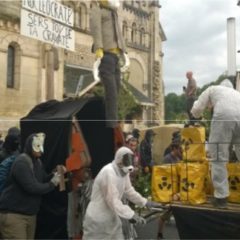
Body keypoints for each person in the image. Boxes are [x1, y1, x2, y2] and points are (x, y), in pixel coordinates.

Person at [82, 146, 161, 239]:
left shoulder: (123, 172)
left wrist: (145, 202)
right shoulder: (108, 172)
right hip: (98, 221)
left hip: (111, 217)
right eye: (127, 160)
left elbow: (129, 191)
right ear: (119, 160)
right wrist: (131, 215)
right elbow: (113, 200)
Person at [0, 133, 62, 239]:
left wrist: (54, 174)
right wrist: (52, 183)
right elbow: (32, 187)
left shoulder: (37, 162)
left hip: (29, 215)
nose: (40, 150)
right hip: (15, 216)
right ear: (30, 145)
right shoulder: (22, 162)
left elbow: (43, 179)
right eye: (37, 146)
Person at [191, 79, 240, 208]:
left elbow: (197, 108)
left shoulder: (212, 89)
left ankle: (221, 197)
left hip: (224, 116)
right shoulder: (237, 94)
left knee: (218, 158)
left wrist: (196, 115)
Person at [90, 0, 130, 128]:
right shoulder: (97, 10)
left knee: (116, 89)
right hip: (106, 55)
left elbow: (119, 33)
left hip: (116, 56)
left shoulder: (114, 13)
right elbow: (96, 29)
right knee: (111, 90)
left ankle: (105, 117)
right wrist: (99, 49)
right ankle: (112, 125)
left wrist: (125, 52)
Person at [157, 143, 182, 239]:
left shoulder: (178, 158)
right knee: (164, 214)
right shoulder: (167, 159)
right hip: (168, 190)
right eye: (179, 149)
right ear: (174, 149)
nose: (180, 151)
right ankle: (159, 234)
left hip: (176, 189)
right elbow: (163, 175)